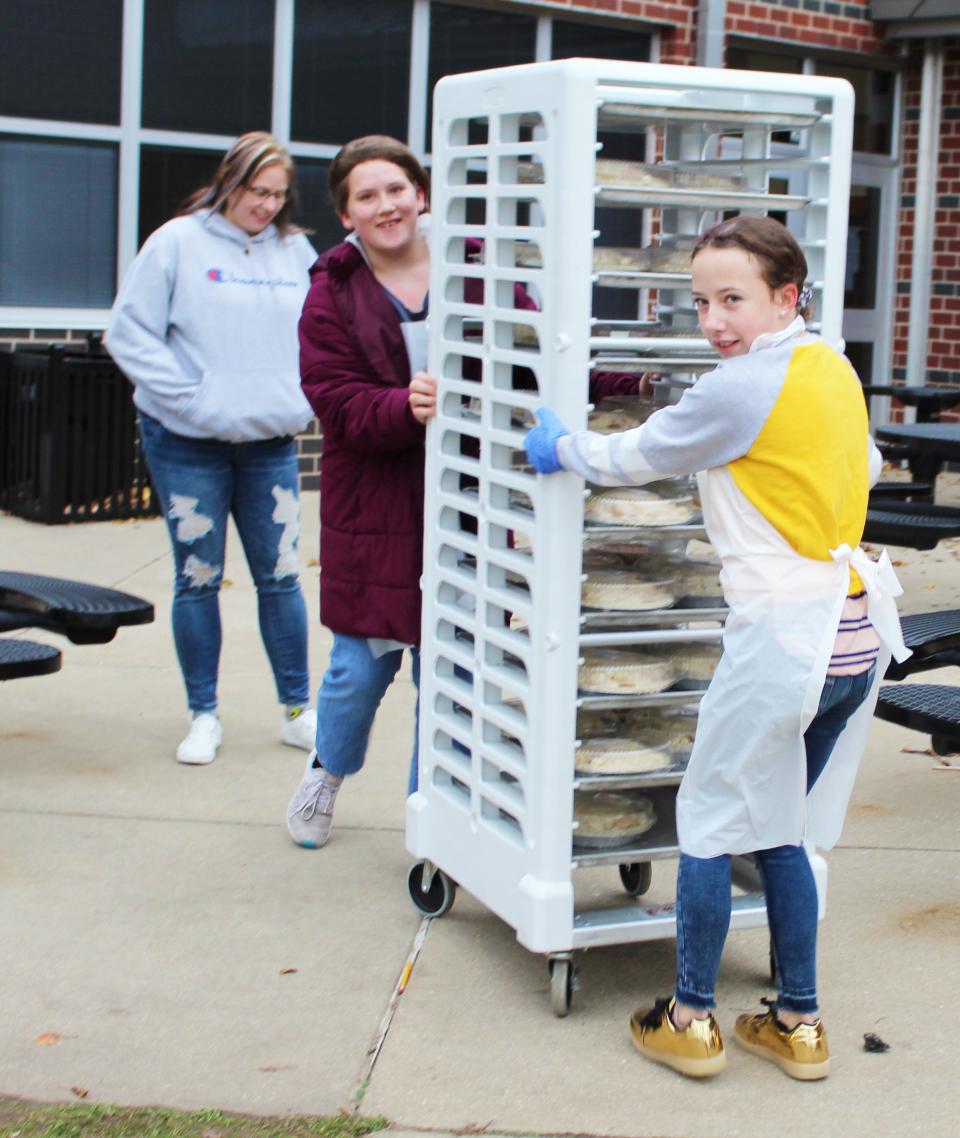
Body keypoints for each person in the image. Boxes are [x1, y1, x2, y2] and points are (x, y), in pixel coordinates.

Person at [524, 215, 909, 1081]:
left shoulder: (739, 389)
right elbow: (869, 462)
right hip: (852, 632)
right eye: (700, 301)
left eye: (733, 299)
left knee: (707, 820)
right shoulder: (832, 369)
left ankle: (691, 1017)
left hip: (784, 634)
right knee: (784, 827)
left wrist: (560, 449)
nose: (713, 321)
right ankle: (798, 1024)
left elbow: (639, 453)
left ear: (786, 297)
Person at [286, 134, 640, 850]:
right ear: (345, 213)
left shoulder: (481, 266)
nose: (385, 206)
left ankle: (435, 814)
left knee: (451, 673)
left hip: (470, 501)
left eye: (396, 189)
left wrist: (630, 385)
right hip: (377, 507)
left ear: (421, 194)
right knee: (360, 667)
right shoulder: (332, 290)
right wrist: (398, 407)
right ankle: (329, 768)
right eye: (366, 196)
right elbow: (332, 397)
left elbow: (536, 357)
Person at [106, 131, 318, 766]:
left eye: (278, 196)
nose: (267, 207)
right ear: (230, 181)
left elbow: (323, 332)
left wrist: (305, 398)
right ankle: (204, 715)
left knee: (280, 578)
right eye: (257, 192)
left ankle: (296, 710)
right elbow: (129, 333)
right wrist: (193, 396)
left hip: (270, 441)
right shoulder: (177, 243)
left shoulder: (295, 250)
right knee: (198, 578)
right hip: (186, 440)